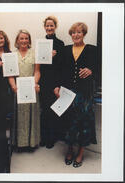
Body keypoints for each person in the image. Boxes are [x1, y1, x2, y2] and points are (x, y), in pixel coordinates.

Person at [54, 22, 97, 168]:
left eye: (79, 32)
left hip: (85, 93)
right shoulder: (65, 50)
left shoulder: (92, 50)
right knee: (68, 122)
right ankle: (70, 150)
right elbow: (58, 70)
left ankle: (80, 153)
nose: (76, 35)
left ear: (84, 33)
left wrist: (91, 71)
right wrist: (56, 87)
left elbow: (101, 68)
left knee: (84, 123)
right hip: (67, 92)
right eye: (73, 32)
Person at [8, 29, 41, 152]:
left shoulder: (34, 53)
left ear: (29, 40)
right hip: (18, 90)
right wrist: (13, 86)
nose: (24, 40)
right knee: (19, 116)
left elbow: (37, 71)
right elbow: (10, 74)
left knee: (31, 115)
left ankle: (31, 143)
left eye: (26, 38)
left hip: (31, 89)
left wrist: (35, 83)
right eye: (21, 38)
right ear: (17, 40)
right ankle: (19, 143)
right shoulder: (12, 55)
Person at [39, 16, 65, 149]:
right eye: (47, 26)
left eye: (51, 25)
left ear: (55, 26)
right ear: (44, 27)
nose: (49, 28)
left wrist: (58, 85)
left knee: (53, 110)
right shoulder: (41, 44)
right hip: (43, 82)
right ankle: (43, 137)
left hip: (54, 82)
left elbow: (62, 67)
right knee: (44, 109)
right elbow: (39, 66)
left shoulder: (60, 44)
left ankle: (52, 138)